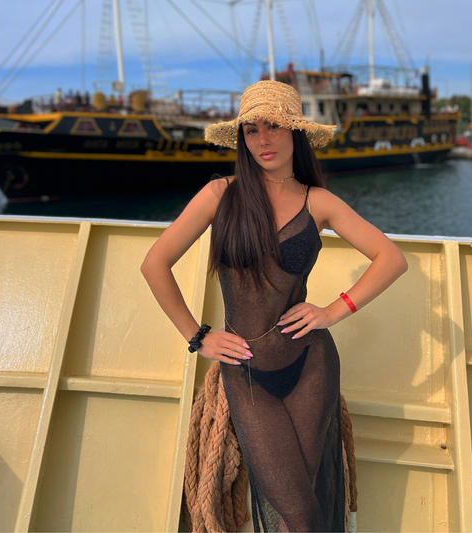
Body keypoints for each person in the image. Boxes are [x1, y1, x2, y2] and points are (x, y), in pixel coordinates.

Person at [140, 80, 408, 532]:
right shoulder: (220, 195)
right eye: (251, 130)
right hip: (246, 374)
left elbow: (391, 258)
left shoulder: (317, 202)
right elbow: (155, 264)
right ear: (242, 139)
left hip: (311, 364)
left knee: (304, 507)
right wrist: (198, 336)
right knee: (298, 511)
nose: (263, 139)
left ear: (296, 133)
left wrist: (332, 311)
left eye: (275, 126)